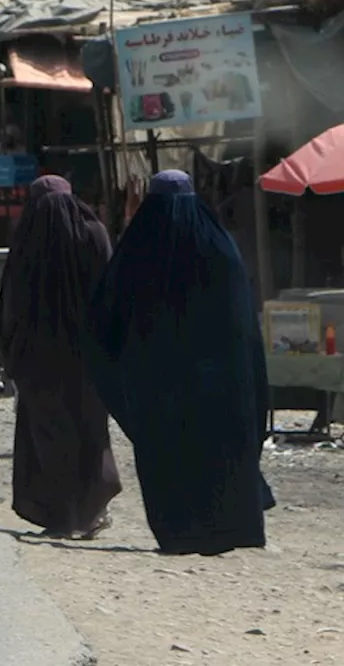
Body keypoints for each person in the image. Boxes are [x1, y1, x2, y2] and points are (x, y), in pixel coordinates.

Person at [86, 169, 276, 556]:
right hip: (222, 386)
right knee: (218, 448)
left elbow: (103, 326)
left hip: (158, 388)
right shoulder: (221, 249)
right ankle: (226, 527)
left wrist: (122, 380)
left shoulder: (137, 252)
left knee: (168, 452)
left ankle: (178, 531)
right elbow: (245, 329)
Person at [0, 176, 122, 540]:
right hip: (89, 355)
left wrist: (11, 355)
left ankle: (60, 514)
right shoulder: (95, 234)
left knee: (50, 433)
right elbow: (110, 295)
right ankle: (92, 510)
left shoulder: (27, 241)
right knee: (91, 428)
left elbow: (10, 306)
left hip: (39, 360)